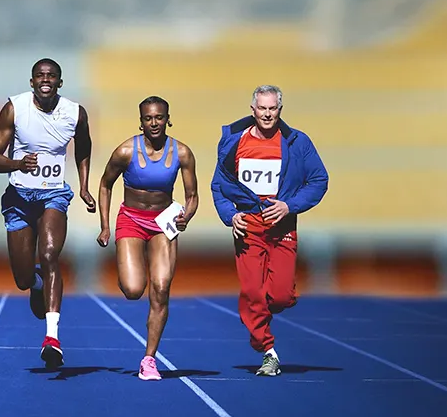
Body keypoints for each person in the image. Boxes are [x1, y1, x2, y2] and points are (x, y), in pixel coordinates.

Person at [0, 58, 96, 369]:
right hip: (19, 198)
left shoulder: (75, 113)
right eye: (40, 76)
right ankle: (35, 284)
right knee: (22, 279)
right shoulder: (14, 108)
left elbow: (84, 148)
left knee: (49, 255)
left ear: (60, 82)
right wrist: (18, 164)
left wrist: (84, 187)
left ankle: (52, 339)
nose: (45, 80)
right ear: (32, 81)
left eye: (51, 76)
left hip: (53, 195)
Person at [211, 85, 329, 376]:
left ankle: (257, 311)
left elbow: (319, 180)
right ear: (253, 110)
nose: (267, 114)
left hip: (281, 225)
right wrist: (230, 215)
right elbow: (219, 186)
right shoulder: (233, 142)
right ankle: (267, 350)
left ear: (280, 110)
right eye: (262, 108)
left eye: (272, 108)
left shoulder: (297, 142)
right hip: (248, 226)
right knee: (252, 291)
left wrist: (289, 206)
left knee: (280, 297)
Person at [96, 96, 199, 381]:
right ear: (141, 122)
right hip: (131, 219)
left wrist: (187, 216)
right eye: (148, 118)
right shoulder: (126, 151)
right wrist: (105, 226)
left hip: (163, 223)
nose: (154, 123)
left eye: (159, 117)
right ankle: (128, 268)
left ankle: (149, 359)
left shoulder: (182, 153)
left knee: (162, 288)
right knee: (132, 290)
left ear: (168, 119)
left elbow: (192, 196)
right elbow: (105, 184)